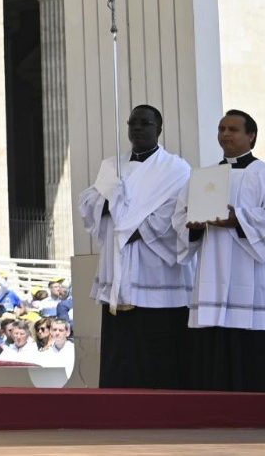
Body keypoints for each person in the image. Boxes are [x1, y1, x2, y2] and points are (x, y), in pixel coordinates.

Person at [176, 109, 265, 393]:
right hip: (213, 272)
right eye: (221, 129)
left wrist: (238, 219)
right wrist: (194, 226)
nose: (225, 134)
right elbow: (179, 219)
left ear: (251, 136)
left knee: (257, 349)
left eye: (233, 129)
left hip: (256, 276)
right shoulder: (202, 178)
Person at [78, 104, 194, 389]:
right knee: (121, 348)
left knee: (157, 346)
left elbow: (176, 210)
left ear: (159, 129)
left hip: (154, 264)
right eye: (133, 123)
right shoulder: (112, 167)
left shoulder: (175, 168)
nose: (137, 128)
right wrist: (108, 198)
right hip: (118, 263)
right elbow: (89, 204)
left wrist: (135, 229)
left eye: (145, 123)